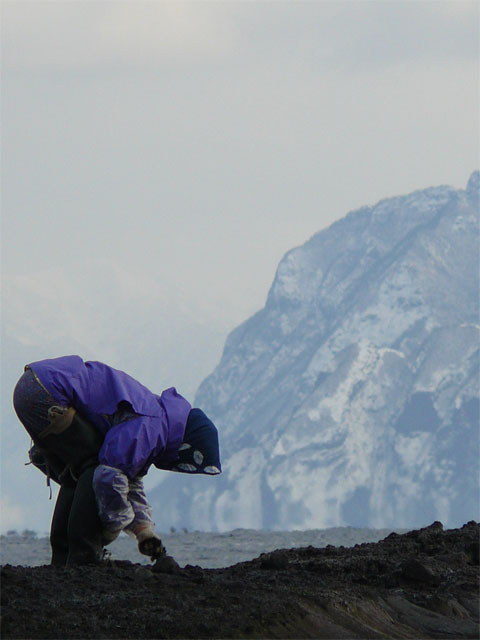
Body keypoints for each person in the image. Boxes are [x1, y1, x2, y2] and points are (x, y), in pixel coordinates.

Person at [13, 355, 221, 566]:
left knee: (75, 474)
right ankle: (83, 558)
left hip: (32, 386)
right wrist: (113, 525)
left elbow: (129, 478)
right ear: (185, 445)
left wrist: (144, 531)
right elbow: (109, 475)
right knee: (93, 467)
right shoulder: (151, 425)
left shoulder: (155, 421)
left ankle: (63, 559)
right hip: (47, 392)